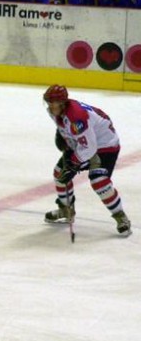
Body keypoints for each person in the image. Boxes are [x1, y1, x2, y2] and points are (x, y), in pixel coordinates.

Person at [42, 85, 131, 236]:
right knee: (59, 174)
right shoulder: (54, 112)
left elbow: (90, 148)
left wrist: (73, 163)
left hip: (105, 147)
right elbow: (71, 132)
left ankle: (121, 217)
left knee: (99, 181)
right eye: (49, 102)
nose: (50, 106)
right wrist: (64, 139)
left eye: (54, 103)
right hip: (84, 143)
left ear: (63, 103)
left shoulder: (77, 117)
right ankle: (66, 210)